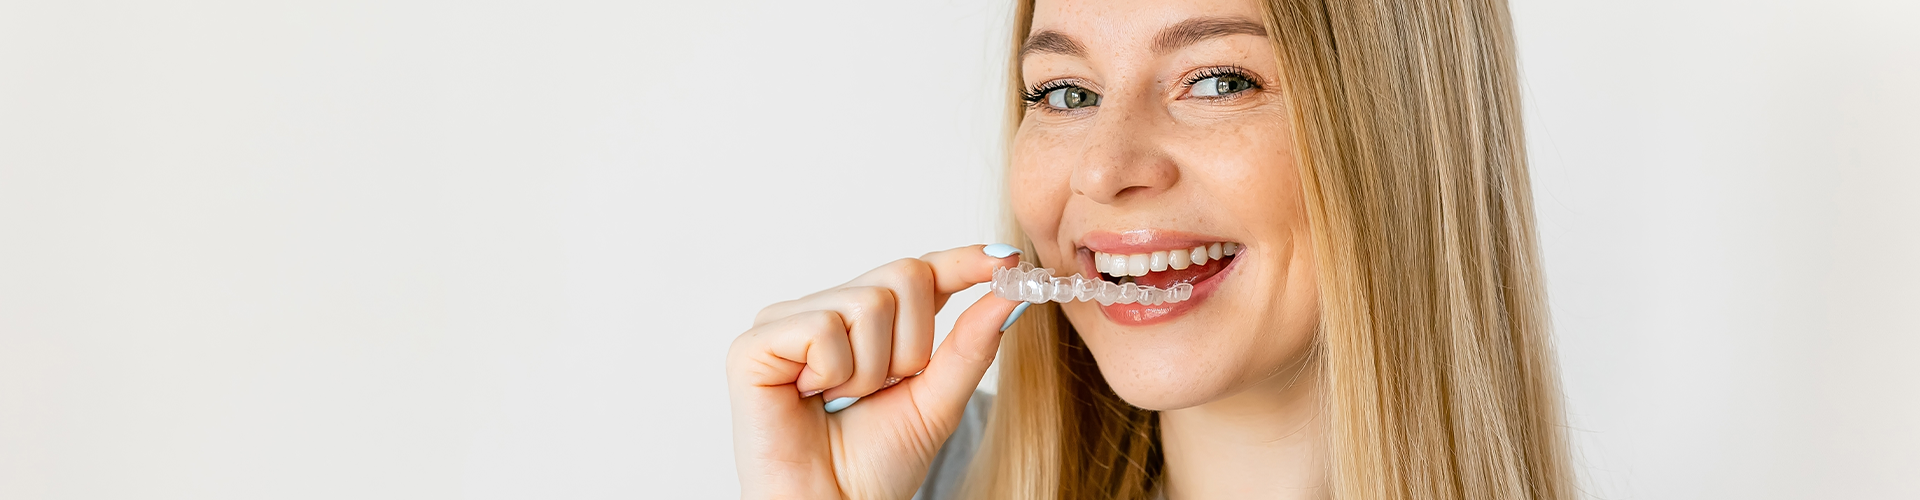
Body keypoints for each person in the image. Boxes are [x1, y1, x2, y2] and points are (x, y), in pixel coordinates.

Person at [726, 0, 1574, 498]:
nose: (1103, 168)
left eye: (1219, 81)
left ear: (1409, 134)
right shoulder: (917, 481)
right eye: (1064, 92)